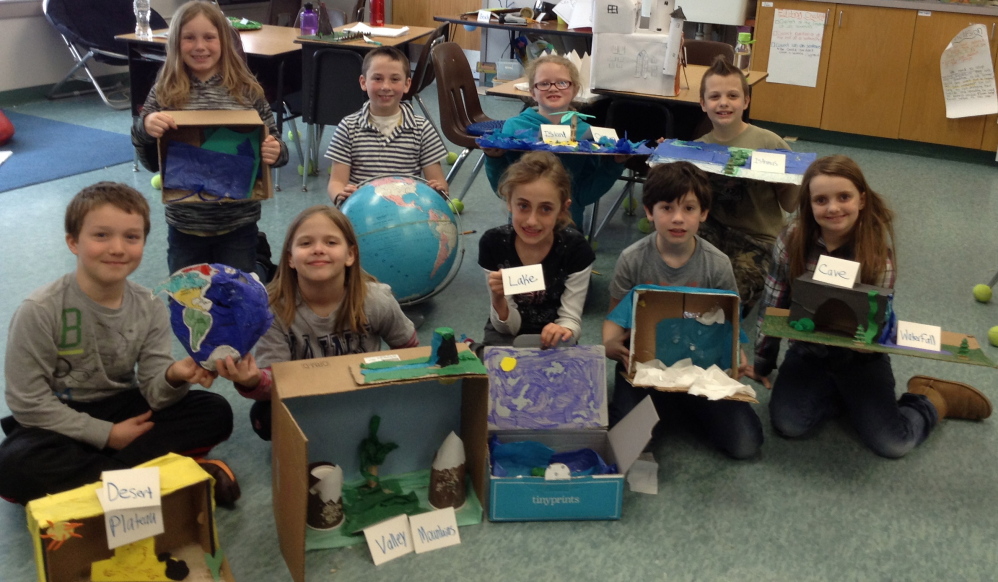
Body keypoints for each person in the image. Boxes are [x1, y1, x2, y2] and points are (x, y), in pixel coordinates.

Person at [0, 182, 238, 506]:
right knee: (11, 467)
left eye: (131, 237)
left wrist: (174, 375)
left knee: (214, 411)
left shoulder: (150, 304)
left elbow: (156, 391)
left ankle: (100, 483)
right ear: (73, 242)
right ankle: (157, 481)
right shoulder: (40, 309)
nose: (117, 248)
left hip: (124, 406)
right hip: (61, 417)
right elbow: (27, 401)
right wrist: (107, 436)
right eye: (101, 235)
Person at [746, 155, 992, 458]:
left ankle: (930, 397)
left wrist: (871, 345)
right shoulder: (792, 238)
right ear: (808, 205)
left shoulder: (877, 256)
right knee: (789, 425)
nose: (833, 208)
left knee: (894, 444)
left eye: (844, 197)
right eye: (821, 200)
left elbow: (880, 321)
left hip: (860, 359)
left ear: (861, 200)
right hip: (809, 351)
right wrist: (762, 360)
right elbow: (774, 302)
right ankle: (846, 399)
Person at [215, 206, 418, 440]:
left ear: (350, 255)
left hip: (364, 394)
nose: (319, 250)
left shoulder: (376, 300)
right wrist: (252, 380)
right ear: (290, 258)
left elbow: (411, 352)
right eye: (305, 244)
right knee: (265, 419)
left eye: (331, 243)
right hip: (307, 399)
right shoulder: (272, 310)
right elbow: (274, 381)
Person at [603, 162, 762, 459]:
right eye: (666, 208)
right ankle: (674, 410)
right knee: (627, 447)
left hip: (702, 371)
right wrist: (610, 344)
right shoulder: (632, 259)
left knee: (745, 445)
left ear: (703, 213)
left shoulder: (717, 264)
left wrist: (736, 360)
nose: (678, 218)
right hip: (647, 370)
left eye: (689, 209)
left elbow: (731, 325)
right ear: (649, 212)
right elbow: (614, 319)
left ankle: (681, 409)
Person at [131, 0, 288, 276]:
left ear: (224, 42)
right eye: (189, 38)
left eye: (209, 37)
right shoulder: (164, 92)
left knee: (237, 300)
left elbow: (275, 147)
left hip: (238, 224)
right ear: (176, 43)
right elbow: (151, 163)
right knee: (188, 304)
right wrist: (145, 127)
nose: (199, 46)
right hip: (185, 225)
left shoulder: (247, 91)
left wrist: (275, 152)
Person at [695, 56, 797, 314]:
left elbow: (791, 203)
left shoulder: (768, 142)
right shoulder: (699, 147)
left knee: (730, 297)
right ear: (703, 104)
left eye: (732, 96)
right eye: (715, 96)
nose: (724, 103)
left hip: (758, 238)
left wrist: (781, 181)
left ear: (746, 101)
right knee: (684, 268)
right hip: (714, 232)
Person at [483, 54, 624, 228]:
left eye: (562, 82)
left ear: (575, 89)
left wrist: (614, 165)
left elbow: (585, 193)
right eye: (543, 83)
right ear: (532, 92)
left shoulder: (586, 133)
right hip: (525, 225)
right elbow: (505, 188)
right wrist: (494, 159)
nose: (553, 88)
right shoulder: (515, 127)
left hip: (569, 228)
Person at [477, 151, 595, 350]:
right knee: (497, 371)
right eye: (523, 206)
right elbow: (507, 327)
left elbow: (570, 320)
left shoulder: (576, 250)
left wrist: (564, 331)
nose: (532, 221)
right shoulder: (493, 244)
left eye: (546, 209)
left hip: (554, 336)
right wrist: (498, 299)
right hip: (505, 333)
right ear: (509, 202)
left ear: (563, 209)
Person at [326, 46, 449, 204]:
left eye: (395, 79)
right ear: (363, 82)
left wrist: (438, 191)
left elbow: (439, 182)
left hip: (406, 213)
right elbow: (336, 182)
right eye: (377, 78)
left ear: (407, 84)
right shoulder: (348, 127)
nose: (386, 86)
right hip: (362, 210)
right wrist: (340, 194)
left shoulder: (422, 129)